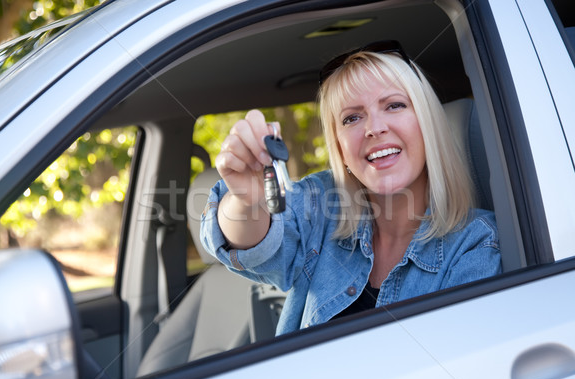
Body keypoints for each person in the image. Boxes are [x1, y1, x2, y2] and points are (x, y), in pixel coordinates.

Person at [200, 40, 502, 335]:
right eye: (352, 118)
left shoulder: (476, 243)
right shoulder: (322, 206)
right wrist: (245, 200)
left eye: (394, 105)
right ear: (340, 149)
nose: (374, 128)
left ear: (427, 125)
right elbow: (260, 249)